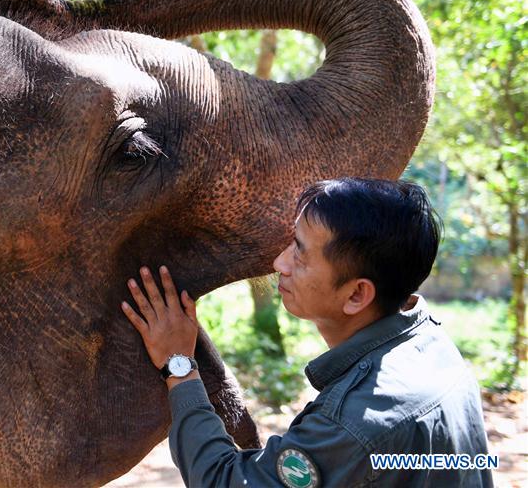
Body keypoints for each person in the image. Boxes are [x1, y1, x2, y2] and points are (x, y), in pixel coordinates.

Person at [121, 178, 493, 488]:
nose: (279, 263)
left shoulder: (355, 424)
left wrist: (178, 366)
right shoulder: (433, 344)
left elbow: (226, 482)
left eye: (300, 253)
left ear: (357, 294)